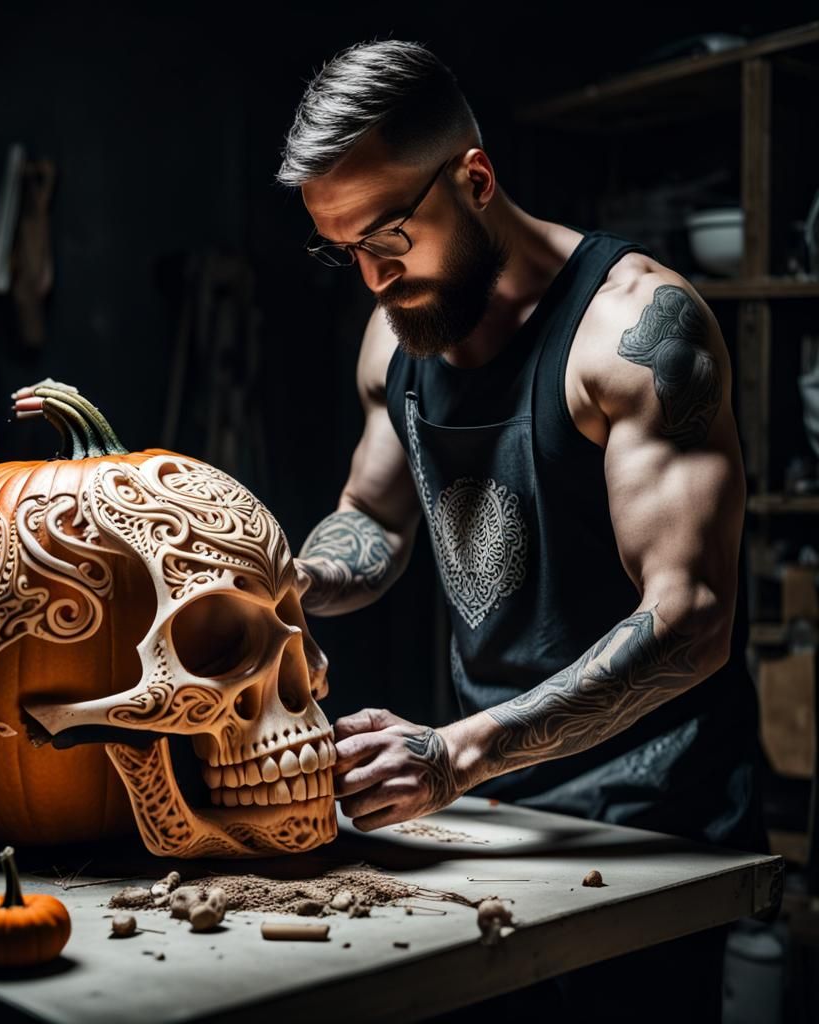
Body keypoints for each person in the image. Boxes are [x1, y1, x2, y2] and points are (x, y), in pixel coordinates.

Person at [275, 38, 768, 1022]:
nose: (372, 279)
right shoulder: (396, 333)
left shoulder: (638, 331)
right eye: (344, 251)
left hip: (649, 821)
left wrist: (454, 754)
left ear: (475, 179)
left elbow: (692, 620)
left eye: (387, 237)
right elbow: (372, 519)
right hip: (488, 801)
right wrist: (281, 582)